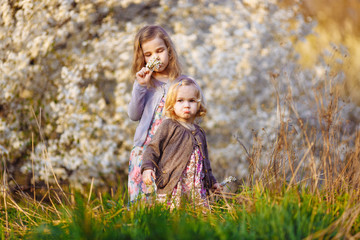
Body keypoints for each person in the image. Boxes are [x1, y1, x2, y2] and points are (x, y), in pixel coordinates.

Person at [141, 78, 222, 209]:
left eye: (191, 101)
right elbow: (153, 148)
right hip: (174, 185)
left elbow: (205, 163)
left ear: (199, 104)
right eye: (180, 100)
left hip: (196, 188)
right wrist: (147, 168)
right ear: (172, 104)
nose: (186, 105)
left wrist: (212, 182)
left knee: (198, 218)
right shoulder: (169, 126)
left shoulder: (199, 132)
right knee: (173, 219)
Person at [127, 25, 183, 202]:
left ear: (169, 51)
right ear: (142, 57)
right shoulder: (145, 84)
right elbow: (134, 115)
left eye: (160, 51)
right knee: (143, 202)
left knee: (167, 201)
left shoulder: (181, 83)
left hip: (170, 153)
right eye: (148, 54)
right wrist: (140, 85)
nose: (155, 57)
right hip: (145, 149)